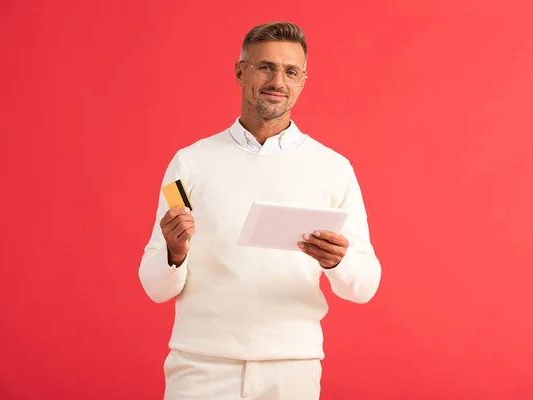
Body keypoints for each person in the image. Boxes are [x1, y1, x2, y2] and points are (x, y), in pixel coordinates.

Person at [138, 21, 382, 400]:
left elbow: (365, 285)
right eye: (265, 66)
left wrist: (339, 261)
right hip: (200, 368)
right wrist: (174, 252)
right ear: (240, 71)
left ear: (303, 80)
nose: (278, 81)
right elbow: (154, 287)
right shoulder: (190, 163)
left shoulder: (333, 168)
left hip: (291, 370)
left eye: (291, 71)